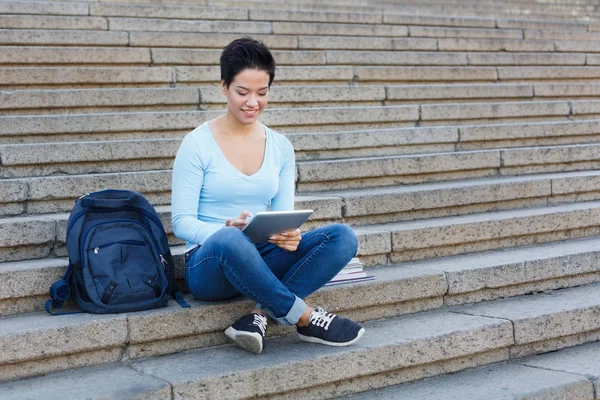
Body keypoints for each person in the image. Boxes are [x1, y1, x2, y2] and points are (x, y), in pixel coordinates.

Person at [171, 37, 364, 355]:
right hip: (208, 263)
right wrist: (227, 230)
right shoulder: (197, 144)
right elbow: (181, 223)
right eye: (242, 92)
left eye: (261, 93)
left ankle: (259, 314)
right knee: (230, 240)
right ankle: (304, 317)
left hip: (260, 256)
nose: (252, 102)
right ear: (224, 87)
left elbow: (281, 216)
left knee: (342, 237)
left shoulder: (280, 146)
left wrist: (288, 236)